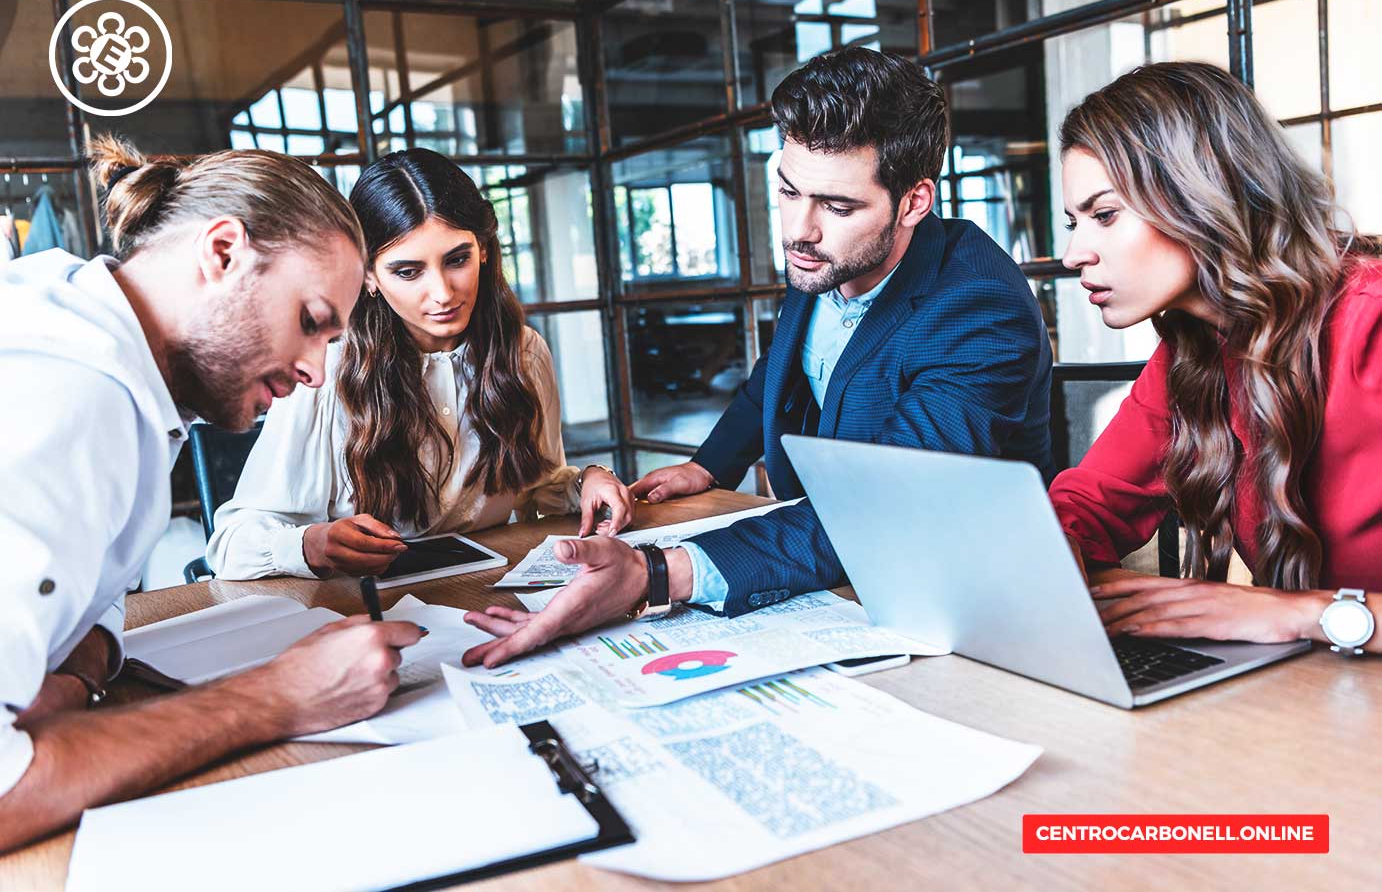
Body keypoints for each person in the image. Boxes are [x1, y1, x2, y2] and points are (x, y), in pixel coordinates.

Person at [459, 46, 1054, 668]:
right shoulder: (828, 256)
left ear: (913, 202)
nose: (799, 228)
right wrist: (711, 465)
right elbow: (783, 368)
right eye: (789, 191)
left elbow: (885, 508)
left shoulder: (978, 308)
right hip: (831, 567)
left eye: (838, 205)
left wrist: (654, 574)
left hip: (959, 600)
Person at [0, 136, 423, 852]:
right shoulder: (65, 398)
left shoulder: (107, 355)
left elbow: (83, 619)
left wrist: (70, 678)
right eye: (311, 321)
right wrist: (281, 697)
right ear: (221, 252)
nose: (318, 371)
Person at [1049, 61, 1382, 650]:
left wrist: (1303, 615)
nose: (1076, 252)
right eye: (1074, 222)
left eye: (1104, 215)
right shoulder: (1193, 351)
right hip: (1312, 699)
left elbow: (1294, 617)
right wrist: (1049, 556)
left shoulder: (1370, 322)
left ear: (1201, 195)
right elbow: (1088, 504)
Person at [206, 149, 632, 580]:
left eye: (457, 259)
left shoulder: (524, 352)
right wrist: (309, 544)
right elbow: (229, 546)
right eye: (408, 272)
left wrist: (587, 482)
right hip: (359, 607)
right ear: (368, 275)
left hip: (483, 589)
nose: (443, 293)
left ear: (483, 249)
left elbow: (538, 489)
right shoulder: (325, 369)